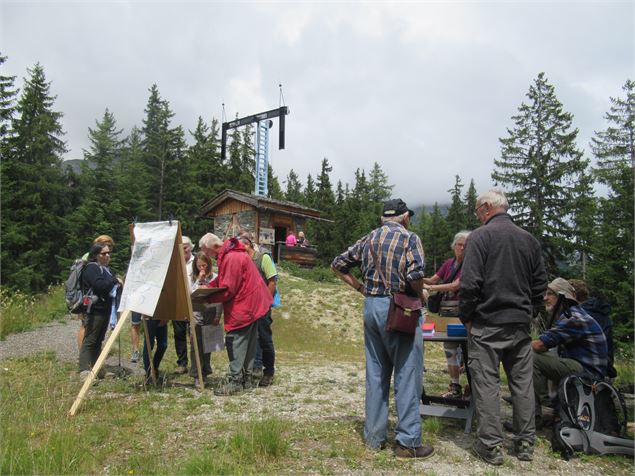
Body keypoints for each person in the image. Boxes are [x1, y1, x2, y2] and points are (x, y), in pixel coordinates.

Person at [332, 198, 433, 459]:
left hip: (372, 308)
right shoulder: (410, 238)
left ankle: (374, 437)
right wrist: (421, 295)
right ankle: (407, 443)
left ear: (382, 219)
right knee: (406, 374)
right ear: (405, 217)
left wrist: (361, 288)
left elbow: (338, 265)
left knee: (376, 373)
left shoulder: (368, 239)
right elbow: (414, 275)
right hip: (400, 308)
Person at [459, 188, 547, 465]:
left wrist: (467, 317)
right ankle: (524, 444)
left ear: (486, 207)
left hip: (487, 323)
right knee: (522, 385)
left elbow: (470, 283)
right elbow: (540, 285)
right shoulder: (528, 240)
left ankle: (490, 446)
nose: (476, 214)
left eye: (476, 209)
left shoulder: (480, 236)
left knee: (487, 384)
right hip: (520, 325)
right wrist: (529, 312)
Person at [199, 233, 273, 396]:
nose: (207, 256)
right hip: (252, 303)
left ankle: (235, 381)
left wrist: (208, 297)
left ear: (214, 247)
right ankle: (246, 379)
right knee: (248, 342)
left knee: (236, 341)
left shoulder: (231, 257)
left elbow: (228, 289)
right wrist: (209, 286)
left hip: (244, 304)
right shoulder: (231, 253)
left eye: (207, 251)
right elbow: (223, 281)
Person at [531, 278, 608, 426]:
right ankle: (547, 403)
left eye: (550, 294)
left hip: (587, 374)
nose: (545, 298)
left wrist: (514, 347)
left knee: (530, 356)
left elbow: (539, 345)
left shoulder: (573, 318)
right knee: (542, 356)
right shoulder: (572, 314)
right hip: (585, 370)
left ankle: (532, 415)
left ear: (562, 296)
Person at [423, 230, 470, 398]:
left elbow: (454, 286)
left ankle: (472, 386)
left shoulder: (471, 264)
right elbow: (433, 279)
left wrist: (430, 288)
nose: (462, 248)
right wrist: (417, 278)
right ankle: (455, 385)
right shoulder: (448, 263)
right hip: (447, 312)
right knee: (449, 348)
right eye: (459, 244)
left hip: (463, 313)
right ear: (454, 246)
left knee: (467, 349)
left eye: (465, 245)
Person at [238, 231, 278, 387]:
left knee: (265, 339)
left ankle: (268, 372)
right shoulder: (243, 261)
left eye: (241, 249)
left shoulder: (263, 258)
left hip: (262, 307)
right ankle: (247, 372)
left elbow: (272, 281)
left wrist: (266, 302)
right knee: (248, 340)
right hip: (247, 307)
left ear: (248, 245)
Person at [78, 242, 120, 380]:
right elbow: (100, 286)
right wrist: (114, 281)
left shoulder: (106, 269)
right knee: (90, 339)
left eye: (108, 253)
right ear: (96, 255)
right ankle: (84, 370)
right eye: (103, 253)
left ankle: (97, 368)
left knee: (99, 340)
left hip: (105, 309)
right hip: (94, 309)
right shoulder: (91, 268)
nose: (107, 256)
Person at [568, 279, 616, 378]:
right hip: (606, 364)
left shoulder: (580, 315)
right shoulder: (599, 312)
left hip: (590, 365)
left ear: (573, 295)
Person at [76, 235, 115, 352]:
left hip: (95, 300)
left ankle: (90, 358)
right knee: (85, 327)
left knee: (92, 332)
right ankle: (83, 355)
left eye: (110, 246)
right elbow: (93, 280)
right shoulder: (90, 258)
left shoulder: (103, 256)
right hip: (88, 300)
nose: (108, 248)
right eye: (106, 244)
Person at [188, 251, 219, 386]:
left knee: (208, 344)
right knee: (196, 344)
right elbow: (191, 294)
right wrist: (199, 280)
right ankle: (196, 374)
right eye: (199, 266)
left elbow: (219, 298)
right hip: (196, 313)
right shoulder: (192, 278)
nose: (202, 268)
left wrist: (218, 315)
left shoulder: (215, 277)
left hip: (210, 312)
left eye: (204, 266)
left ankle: (205, 372)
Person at [172, 235, 195, 374]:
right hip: (178, 302)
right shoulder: (175, 262)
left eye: (185, 247)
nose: (183, 250)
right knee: (179, 333)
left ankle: (196, 363)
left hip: (193, 301)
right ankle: (182, 363)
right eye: (180, 247)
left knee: (193, 333)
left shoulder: (197, 261)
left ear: (191, 247)